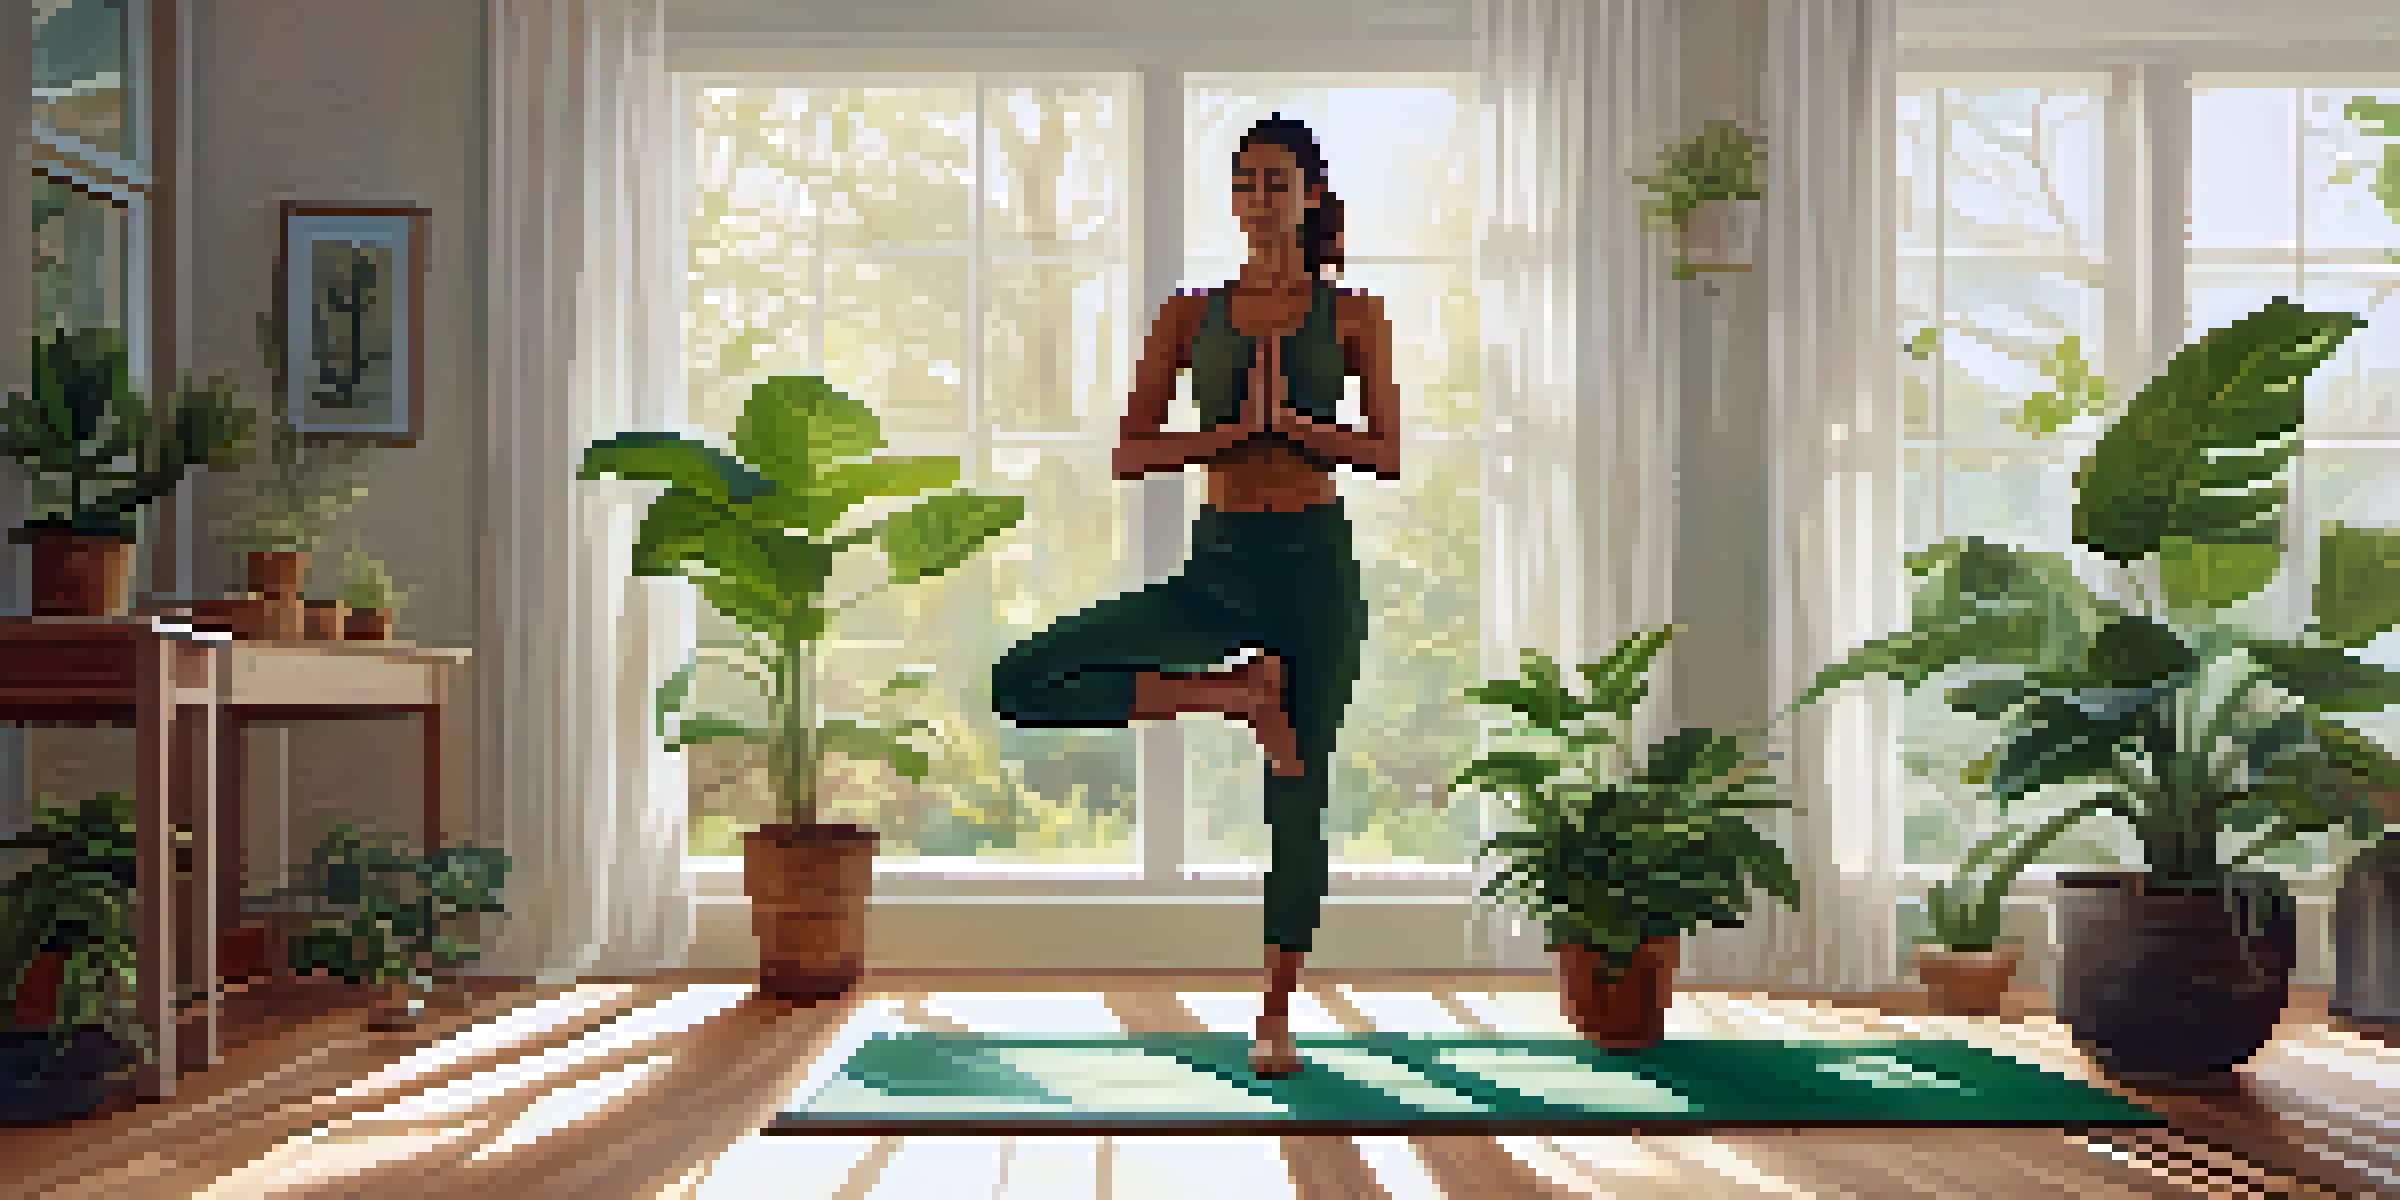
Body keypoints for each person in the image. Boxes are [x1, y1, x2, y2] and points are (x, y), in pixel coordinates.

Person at [991, 114, 1401, 1078]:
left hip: (1313, 571)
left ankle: (1275, 1014)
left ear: (1309, 195)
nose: (1262, 199)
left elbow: (1383, 453)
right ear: (1233, 197)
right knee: (1025, 679)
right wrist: (1224, 439)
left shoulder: (1353, 314)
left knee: (1297, 792)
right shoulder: (1188, 313)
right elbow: (1135, 453)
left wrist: (1294, 425)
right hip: (1215, 571)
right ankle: (1233, 694)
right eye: (1248, 182)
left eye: (1279, 183)